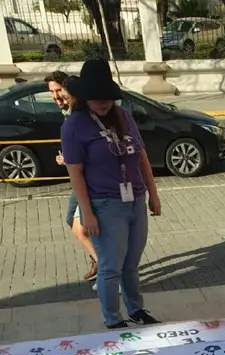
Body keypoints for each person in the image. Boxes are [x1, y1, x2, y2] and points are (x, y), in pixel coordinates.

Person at [61, 59, 161, 329]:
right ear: (84, 97)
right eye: (97, 98)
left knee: (132, 262)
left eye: (108, 97)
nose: (104, 103)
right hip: (104, 203)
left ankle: (136, 309)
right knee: (110, 265)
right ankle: (112, 319)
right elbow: (76, 173)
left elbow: (141, 157)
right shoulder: (74, 125)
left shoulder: (123, 116)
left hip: (135, 199)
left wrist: (153, 193)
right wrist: (87, 213)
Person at [46, 70, 99, 284]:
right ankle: (100, 261)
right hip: (80, 179)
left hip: (88, 181)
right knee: (74, 222)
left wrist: (70, 160)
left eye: (59, 90)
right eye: (52, 92)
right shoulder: (68, 114)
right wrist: (67, 159)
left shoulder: (78, 116)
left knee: (79, 228)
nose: (56, 96)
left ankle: (106, 267)